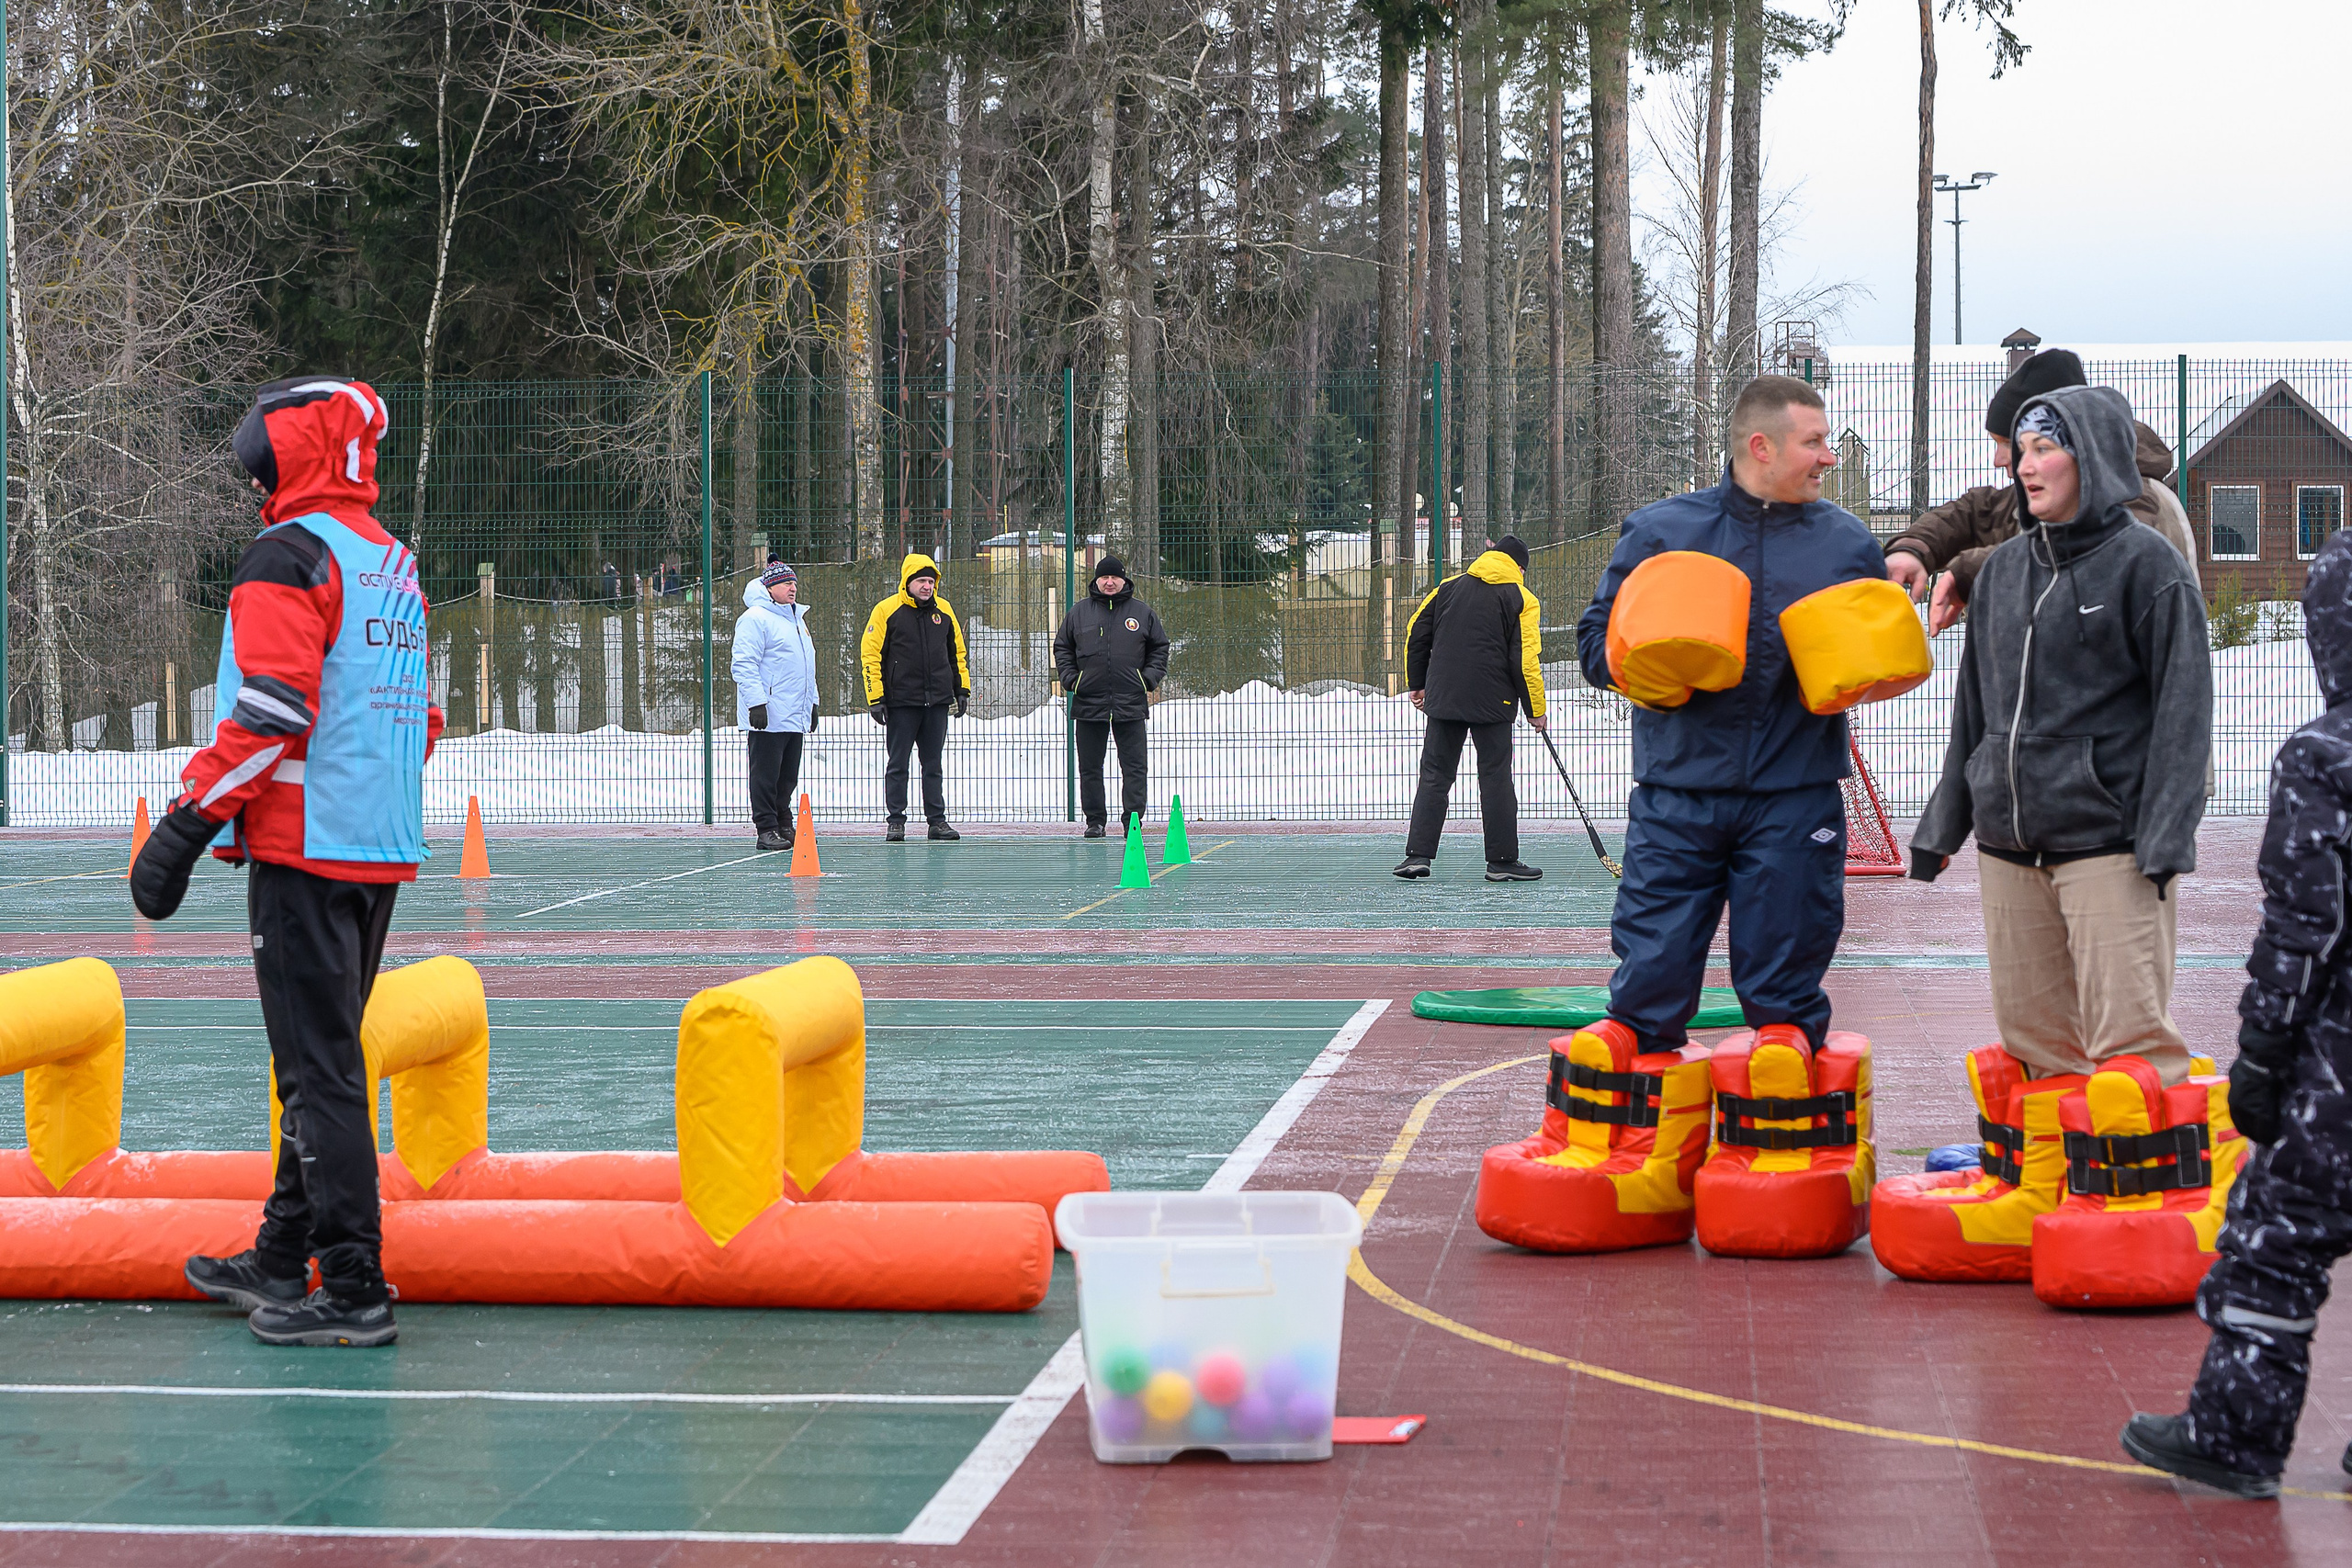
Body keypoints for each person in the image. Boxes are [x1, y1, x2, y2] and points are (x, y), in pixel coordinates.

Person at [130, 375, 442, 1348]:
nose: (251, 477)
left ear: (286, 453)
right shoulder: (389, 560)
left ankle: (352, 1284)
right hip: (375, 843)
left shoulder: (289, 554)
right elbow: (420, 716)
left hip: (306, 847)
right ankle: (282, 1250)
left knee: (319, 1074)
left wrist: (185, 824)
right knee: (316, 1063)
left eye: (256, 461)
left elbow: (271, 709)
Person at [2120, 531, 2352, 1499]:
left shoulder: (2326, 756)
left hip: (2339, 1068)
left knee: (2276, 1236)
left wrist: (2262, 1051)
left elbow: (2307, 923)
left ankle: (2234, 1437)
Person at [1574, 375, 1886, 1052]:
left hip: (1796, 794)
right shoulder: (1663, 531)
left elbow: (1868, 656)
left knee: (1787, 985)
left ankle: (1788, 1087)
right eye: (1814, 441)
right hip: (1678, 794)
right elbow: (1594, 641)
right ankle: (1639, 1088)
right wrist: (1647, 669)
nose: (1829, 456)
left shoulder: (1848, 545)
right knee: (1649, 974)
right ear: (1762, 447)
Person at [1908, 386, 2211, 1083]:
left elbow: (2185, 712)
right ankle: (2054, 1160)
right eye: (2022, 450)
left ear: (2093, 457)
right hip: (2008, 849)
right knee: (2036, 1054)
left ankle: (2148, 1162)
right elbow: (1973, 711)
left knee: (2133, 1056)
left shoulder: (2148, 566)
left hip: (2113, 847)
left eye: (2044, 448)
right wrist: (1945, 824)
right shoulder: (2003, 571)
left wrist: (2166, 836)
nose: (2024, 466)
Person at [1883, 347, 2197, 633]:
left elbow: (2088, 559)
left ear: (2072, 441)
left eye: (2011, 444)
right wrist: (1912, 549)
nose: (1998, 460)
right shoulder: (2052, 497)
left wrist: (1973, 570)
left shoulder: (2136, 501)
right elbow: (1973, 512)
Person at [1394, 534, 1546, 882]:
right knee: (1495, 777)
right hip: (1494, 702)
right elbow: (1524, 660)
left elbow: (1416, 632)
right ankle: (1502, 861)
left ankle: (1417, 856)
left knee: (1435, 774)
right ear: (1520, 568)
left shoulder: (1447, 588)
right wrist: (1535, 709)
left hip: (1445, 697)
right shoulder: (1522, 598)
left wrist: (1417, 683)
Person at [1053, 555, 1170, 839]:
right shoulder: (1078, 613)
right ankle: (1095, 821)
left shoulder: (1142, 613)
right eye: (1104, 577)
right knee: (1090, 768)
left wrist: (1146, 679)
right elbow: (1062, 648)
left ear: (1123, 580)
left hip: (1130, 703)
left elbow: (1160, 648)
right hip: (1088, 703)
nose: (1109, 582)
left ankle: (1133, 821)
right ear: (1096, 580)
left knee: (1135, 767)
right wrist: (1073, 680)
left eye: (1114, 577)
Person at [861, 552, 968, 841]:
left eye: (931, 582)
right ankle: (896, 821)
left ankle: (937, 822)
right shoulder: (886, 610)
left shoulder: (944, 611)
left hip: (937, 702)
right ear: (907, 582)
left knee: (933, 765)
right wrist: (876, 698)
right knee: (898, 764)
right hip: (901, 703)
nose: (927, 586)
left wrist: (962, 689)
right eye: (921, 581)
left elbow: (957, 653)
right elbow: (870, 655)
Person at [733, 561, 820, 852]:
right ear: (769, 588)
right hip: (769, 714)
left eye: (794, 583)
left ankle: (783, 823)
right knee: (765, 776)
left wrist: (812, 703)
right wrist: (756, 702)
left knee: (787, 776)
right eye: (785, 583)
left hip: (794, 713)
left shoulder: (796, 619)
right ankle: (766, 828)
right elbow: (744, 664)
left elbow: (807, 667)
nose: (792, 588)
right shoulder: (755, 618)